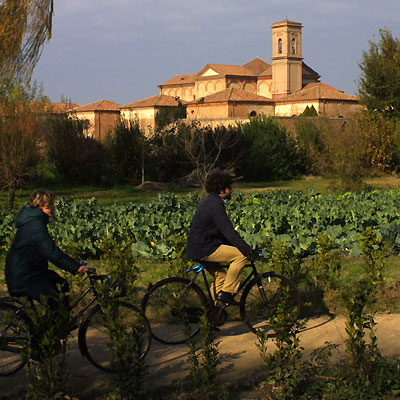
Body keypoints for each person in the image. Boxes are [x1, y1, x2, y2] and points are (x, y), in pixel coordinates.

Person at [5, 189, 87, 313]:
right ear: (40, 206)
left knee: (62, 283)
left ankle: (61, 322)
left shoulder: (34, 221)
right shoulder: (35, 225)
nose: (54, 208)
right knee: (55, 299)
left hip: (32, 273)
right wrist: (75, 267)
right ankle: (52, 329)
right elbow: (51, 252)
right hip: (24, 278)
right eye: (51, 205)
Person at [186, 171, 258, 306]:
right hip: (205, 248)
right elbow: (228, 232)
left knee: (222, 278)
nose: (231, 191)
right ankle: (226, 293)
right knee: (240, 256)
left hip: (197, 247)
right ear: (221, 190)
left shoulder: (208, 201)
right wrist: (248, 250)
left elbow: (221, 233)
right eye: (229, 188)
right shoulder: (215, 205)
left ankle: (211, 313)